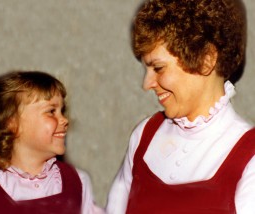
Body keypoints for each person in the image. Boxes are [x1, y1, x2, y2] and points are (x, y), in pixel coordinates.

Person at [106, 0, 255, 213]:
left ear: (206, 60)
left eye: (158, 68)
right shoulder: (143, 137)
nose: (147, 84)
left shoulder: (250, 160)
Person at [0, 71, 104, 214]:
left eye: (62, 111)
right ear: (12, 123)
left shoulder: (78, 181)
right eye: (51, 111)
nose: (64, 120)